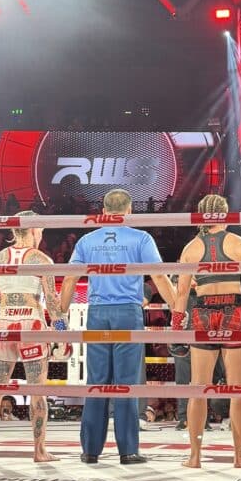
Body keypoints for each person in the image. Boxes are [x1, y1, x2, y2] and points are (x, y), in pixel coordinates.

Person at [59, 189, 175, 465]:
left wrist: (61, 313)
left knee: (96, 381)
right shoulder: (140, 238)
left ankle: (90, 451)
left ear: (104, 211)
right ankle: (128, 451)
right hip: (127, 312)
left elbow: (70, 278)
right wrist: (177, 308)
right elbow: (159, 276)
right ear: (129, 210)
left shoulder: (88, 239)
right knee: (126, 382)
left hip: (97, 312)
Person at [0, 211, 65, 462]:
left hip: (4, 324)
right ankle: (39, 451)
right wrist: (63, 335)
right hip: (31, 325)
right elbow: (53, 303)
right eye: (41, 231)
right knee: (37, 392)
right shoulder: (42, 259)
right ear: (33, 230)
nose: (41, 236)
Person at [170, 194, 241, 468]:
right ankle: (239, 457)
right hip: (234, 310)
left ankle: (195, 456)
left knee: (198, 388)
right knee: (238, 388)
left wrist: (176, 326)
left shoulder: (191, 247)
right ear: (225, 214)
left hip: (203, 312)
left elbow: (182, 293)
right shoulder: (238, 243)